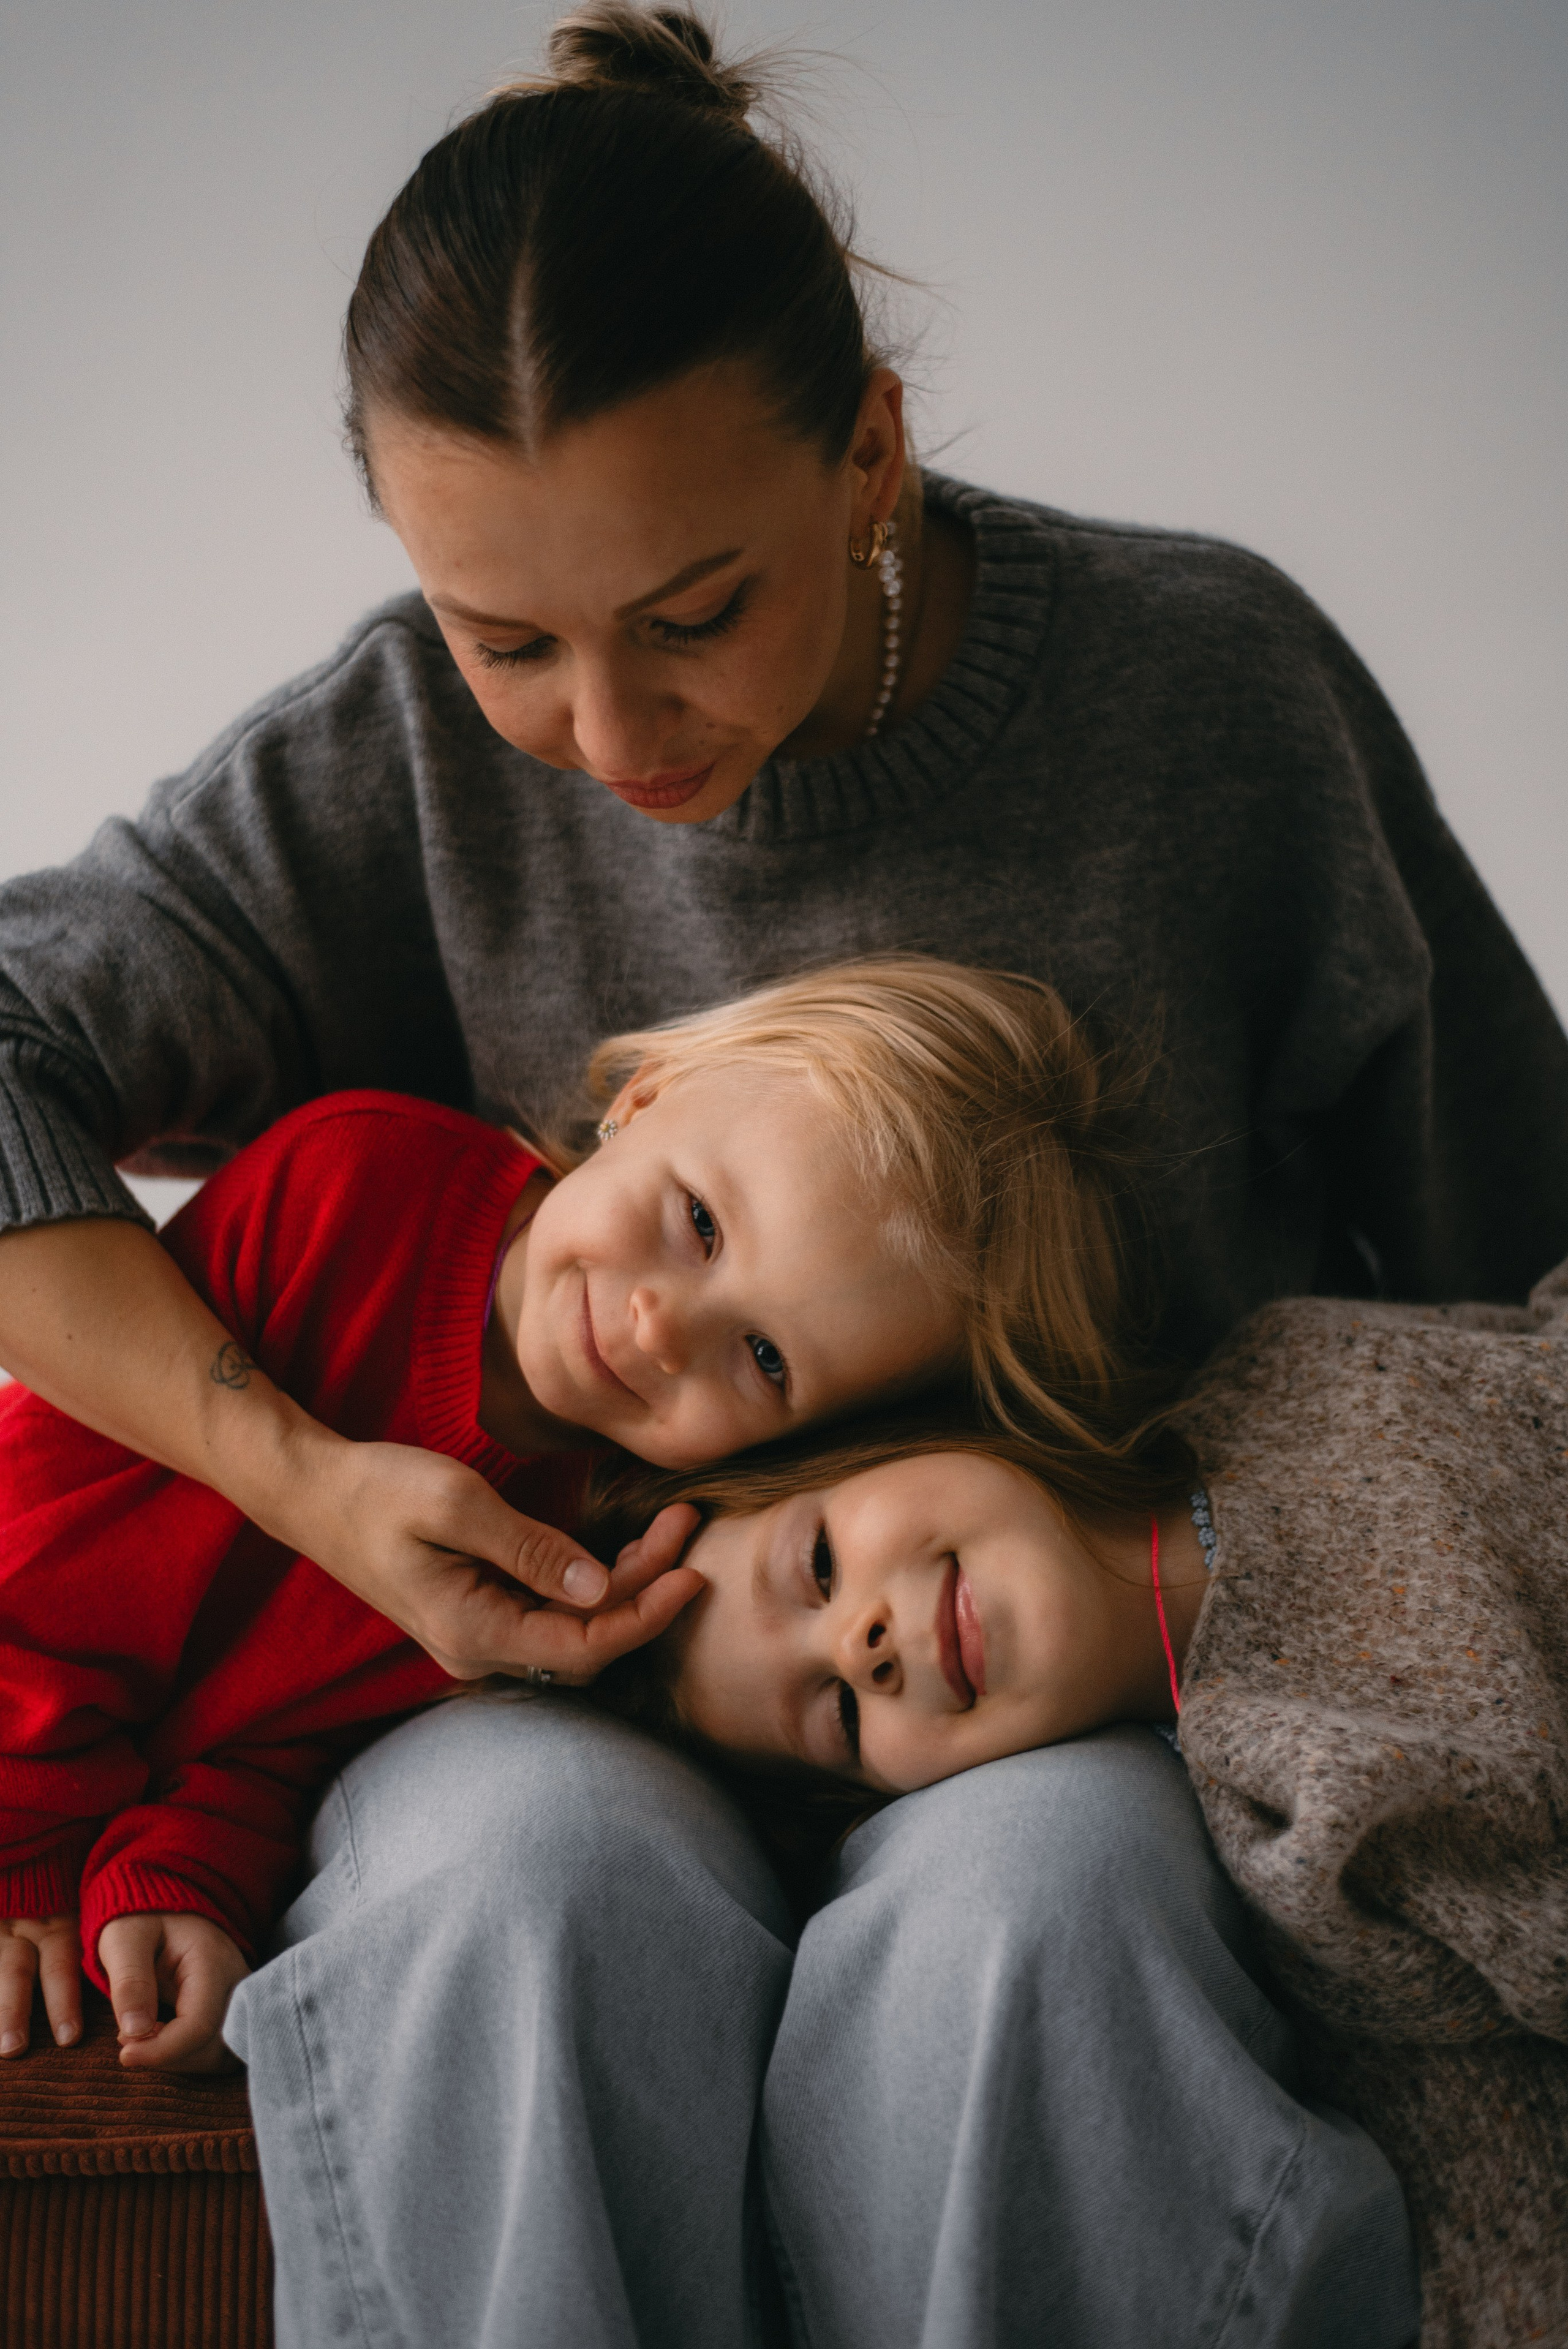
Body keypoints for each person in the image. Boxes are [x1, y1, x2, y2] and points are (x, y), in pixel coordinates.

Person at [2, 1, 1562, 2339]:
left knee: (1027, 1917)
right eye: (502, 634)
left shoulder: (1215, 701)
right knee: (508, 1892)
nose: (608, 738)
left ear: (871, 446)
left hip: (1053, 1731)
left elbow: (1510, 1293)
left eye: (695, 613)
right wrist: (311, 1482)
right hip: (532, 1716)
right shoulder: (404, 750)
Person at [0, 954, 1118, 2069]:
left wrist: (184, 1868)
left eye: (767, 1358)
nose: (660, 1326)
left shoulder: (605, 1537)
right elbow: (47, 1545)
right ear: (647, 1094)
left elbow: (294, 1721)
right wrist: (29, 1851)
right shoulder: (360, 1188)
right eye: (700, 1223)